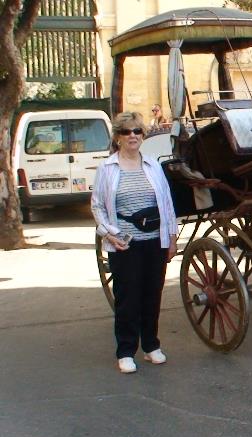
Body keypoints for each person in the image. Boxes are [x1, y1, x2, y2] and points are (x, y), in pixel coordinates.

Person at [91, 111, 178, 374]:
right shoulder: (107, 168)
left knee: (152, 295)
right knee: (127, 298)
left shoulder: (152, 165)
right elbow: (97, 206)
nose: (132, 136)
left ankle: (151, 346)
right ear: (117, 137)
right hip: (124, 243)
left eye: (137, 131)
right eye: (126, 132)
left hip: (154, 240)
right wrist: (108, 234)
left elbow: (166, 203)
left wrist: (172, 238)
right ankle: (126, 351)